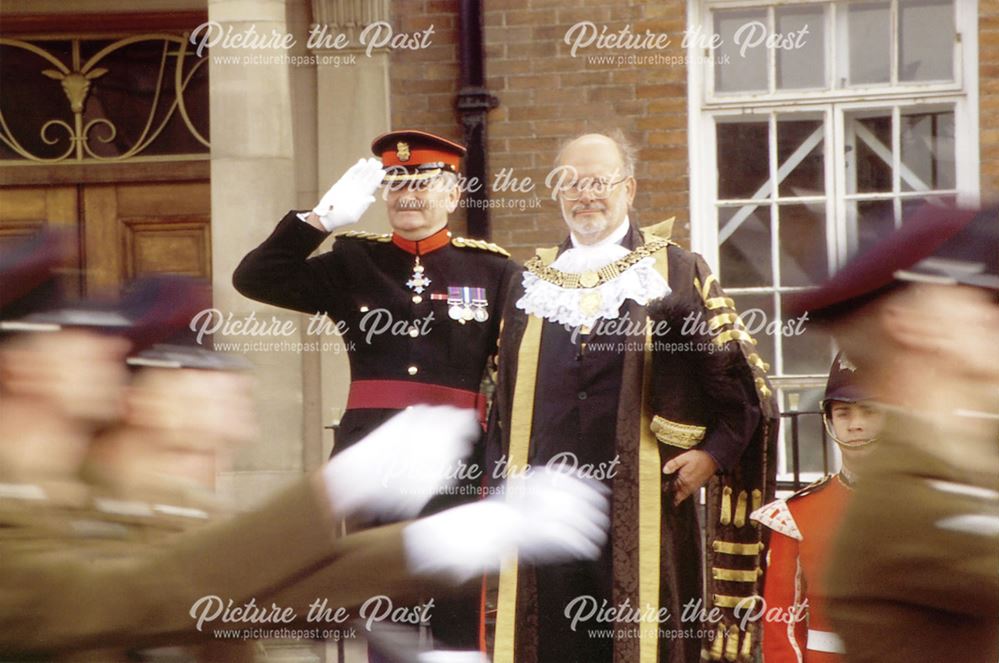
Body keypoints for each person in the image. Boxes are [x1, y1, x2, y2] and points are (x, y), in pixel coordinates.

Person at [0, 234, 610, 660]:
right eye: (71, 340)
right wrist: (340, 488)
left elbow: (267, 594)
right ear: (17, 366)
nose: (100, 355)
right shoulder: (46, 511)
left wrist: (445, 538)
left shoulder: (90, 501)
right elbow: (149, 594)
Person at [485, 131, 778, 663]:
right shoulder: (527, 281)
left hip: (644, 503)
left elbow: (740, 383)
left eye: (599, 180)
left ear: (631, 188)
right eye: (570, 182)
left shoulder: (678, 271)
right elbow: (501, 401)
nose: (584, 194)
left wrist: (712, 455)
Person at [788, 203, 999, 662]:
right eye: (980, 295)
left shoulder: (961, 460)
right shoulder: (910, 505)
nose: (992, 312)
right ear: (910, 323)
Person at [233, 129, 520, 451]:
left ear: (452, 198)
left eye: (422, 185)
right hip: (367, 447)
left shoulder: (494, 272)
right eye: (395, 184)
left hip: (458, 451)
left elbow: (521, 367)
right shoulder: (353, 262)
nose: (406, 196)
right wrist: (320, 221)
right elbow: (255, 278)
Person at [751, 353, 884, 662]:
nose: (856, 425)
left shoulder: (920, 504)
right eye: (843, 413)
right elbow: (781, 630)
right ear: (829, 421)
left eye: (869, 411)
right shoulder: (796, 515)